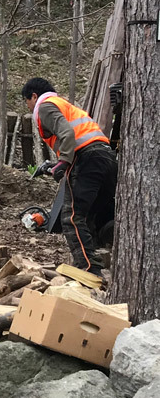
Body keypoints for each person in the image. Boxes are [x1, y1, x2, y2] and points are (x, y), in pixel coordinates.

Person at [22, 77, 118, 275]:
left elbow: (66, 134)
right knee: (92, 213)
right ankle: (104, 260)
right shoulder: (65, 105)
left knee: (71, 217)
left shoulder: (45, 107)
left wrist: (64, 162)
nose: (28, 107)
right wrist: (54, 164)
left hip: (87, 158)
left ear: (34, 96)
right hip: (106, 156)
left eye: (27, 101)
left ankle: (89, 270)